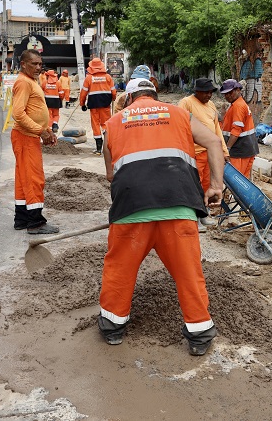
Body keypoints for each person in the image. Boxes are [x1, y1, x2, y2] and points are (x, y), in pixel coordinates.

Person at [98, 78, 225, 356]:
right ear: (155, 96)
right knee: (189, 274)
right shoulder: (180, 113)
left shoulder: (115, 122)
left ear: (130, 99)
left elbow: (110, 174)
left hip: (131, 212)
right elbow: (215, 142)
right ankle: (200, 334)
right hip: (178, 208)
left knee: (119, 271)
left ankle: (113, 328)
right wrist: (215, 186)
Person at [11, 49, 59, 235]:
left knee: (24, 179)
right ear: (23, 64)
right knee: (33, 178)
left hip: (28, 136)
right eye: (34, 64)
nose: (39, 67)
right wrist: (41, 131)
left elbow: (33, 111)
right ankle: (36, 222)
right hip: (25, 137)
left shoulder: (31, 81)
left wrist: (45, 131)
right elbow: (18, 114)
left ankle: (22, 219)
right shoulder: (23, 82)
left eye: (40, 64)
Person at [178, 78, 229, 230]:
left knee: (208, 185)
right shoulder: (186, 103)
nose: (209, 95)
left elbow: (217, 130)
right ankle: (194, 217)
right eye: (206, 92)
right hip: (193, 153)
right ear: (197, 91)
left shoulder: (211, 105)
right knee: (194, 185)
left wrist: (224, 151)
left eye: (210, 92)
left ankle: (204, 214)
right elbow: (181, 126)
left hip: (210, 153)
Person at [220, 79, 259, 179]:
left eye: (230, 93)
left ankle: (234, 195)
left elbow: (236, 131)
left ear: (238, 90)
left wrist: (227, 149)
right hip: (246, 148)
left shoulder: (238, 106)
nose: (227, 96)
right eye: (225, 94)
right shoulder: (238, 104)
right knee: (243, 180)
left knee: (236, 179)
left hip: (240, 149)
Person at [79, 57, 116, 155]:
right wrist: (113, 98)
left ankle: (99, 149)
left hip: (94, 104)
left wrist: (82, 104)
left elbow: (83, 93)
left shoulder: (89, 78)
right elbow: (113, 91)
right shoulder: (108, 77)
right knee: (106, 125)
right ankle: (109, 148)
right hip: (105, 104)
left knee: (95, 125)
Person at [42, 68, 62, 133]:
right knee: (56, 115)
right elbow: (61, 93)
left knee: (49, 115)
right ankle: (55, 124)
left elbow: (41, 91)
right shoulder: (58, 83)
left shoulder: (45, 82)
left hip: (47, 101)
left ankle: (50, 128)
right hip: (56, 101)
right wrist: (60, 99)